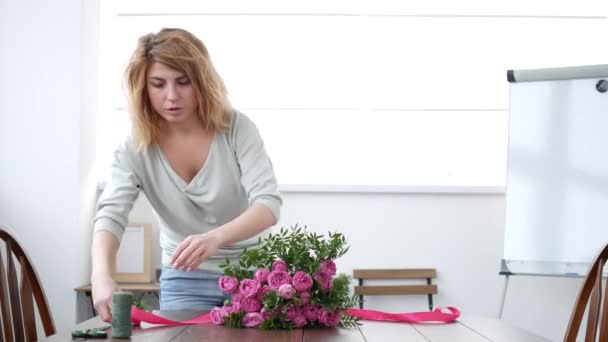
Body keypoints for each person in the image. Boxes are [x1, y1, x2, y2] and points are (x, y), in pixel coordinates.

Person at [91, 28, 282, 322]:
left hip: (253, 276)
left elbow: (268, 205)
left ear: (202, 82)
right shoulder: (135, 147)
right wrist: (100, 276)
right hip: (185, 280)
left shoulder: (237, 129)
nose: (171, 96)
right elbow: (111, 213)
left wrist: (215, 238)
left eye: (183, 82)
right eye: (158, 84)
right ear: (144, 88)